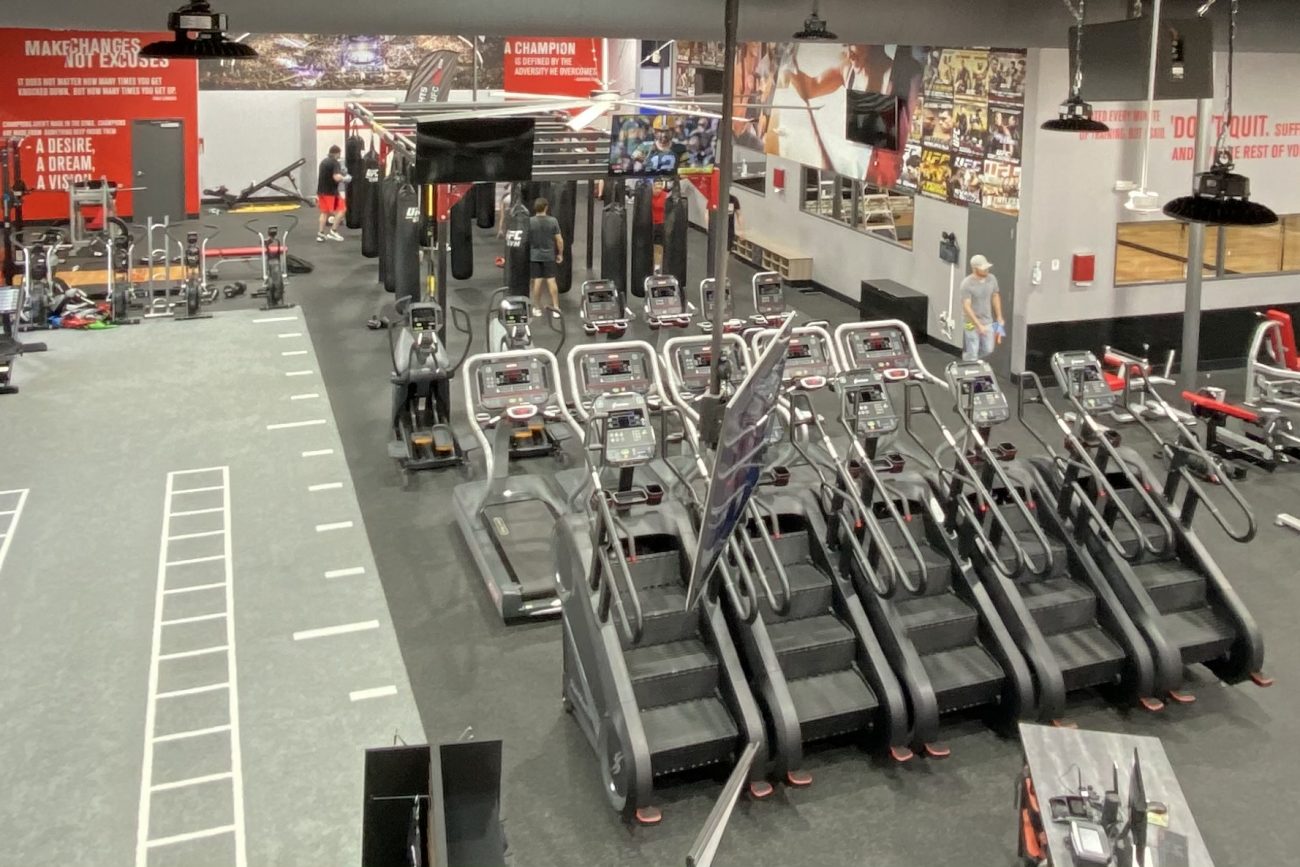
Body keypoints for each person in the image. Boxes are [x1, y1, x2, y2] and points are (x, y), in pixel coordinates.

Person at [961, 254, 1004, 361]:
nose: (986, 270)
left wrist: (999, 316)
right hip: (970, 322)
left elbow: (995, 296)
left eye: (987, 267)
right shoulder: (967, 284)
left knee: (988, 349)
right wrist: (978, 325)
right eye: (983, 268)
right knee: (973, 349)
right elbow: (967, 306)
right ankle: (971, 364)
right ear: (974, 269)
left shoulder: (992, 279)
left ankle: (969, 359)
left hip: (987, 320)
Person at [528, 197, 563, 317]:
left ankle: (536, 308)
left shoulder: (530, 222)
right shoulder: (553, 221)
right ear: (546, 207)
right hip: (548, 256)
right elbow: (559, 240)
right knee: (551, 280)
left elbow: (526, 240)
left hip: (535, 256)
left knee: (537, 281)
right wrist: (560, 254)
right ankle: (556, 308)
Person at [316, 144, 348, 242]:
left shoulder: (323, 161)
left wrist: (340, 173)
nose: (339, 156)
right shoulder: (335, 162)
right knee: (342, 209)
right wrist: (345, 178)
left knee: (324, 213)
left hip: (321, 191)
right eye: (339, 154)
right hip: (331, 193)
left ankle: (320, 234)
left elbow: (328, 174)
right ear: (337, 153)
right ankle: (333, 231)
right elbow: (336, 177)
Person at [651, 181, 669, 268]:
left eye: (660, 188)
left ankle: (657, 266)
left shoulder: (666, 196)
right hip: (650, 224)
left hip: (661, 224)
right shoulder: (647, 196)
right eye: (656, 188)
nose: (658, 190)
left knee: (658, 247)